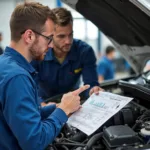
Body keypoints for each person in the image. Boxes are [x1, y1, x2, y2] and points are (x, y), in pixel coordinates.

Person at [0, 2, 90, 150]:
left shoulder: (5, 64)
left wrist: (59, 107)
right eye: (49, 38)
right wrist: (63, 111)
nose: (51, 45)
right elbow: (35, 142)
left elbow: (19, 116)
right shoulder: (17, 77)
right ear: (29, 36)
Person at [31, 7, 101, 103]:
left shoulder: (84, 52)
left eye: (70, 35)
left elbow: (90, 84)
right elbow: (30, 88)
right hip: (44, 103)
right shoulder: (38, 53)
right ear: (51, 35)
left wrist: (94, 91)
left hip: (73, 102)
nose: (68, 41)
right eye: (61, 36)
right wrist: (41, 104)